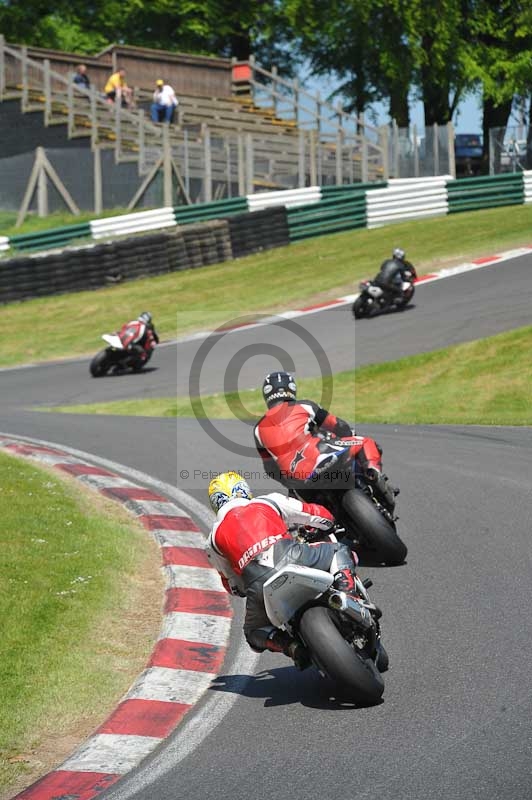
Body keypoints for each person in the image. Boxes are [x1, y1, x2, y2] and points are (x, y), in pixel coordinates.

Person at [205, 471, 364, 669]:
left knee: (254, 633)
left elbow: (232, 586)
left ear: (216, 503)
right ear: (244, 490)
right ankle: (347, 596)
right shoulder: (268, 501)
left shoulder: (212, 541)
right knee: (339, 550)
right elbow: (316, 514)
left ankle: (290, 646)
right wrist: (328, 523)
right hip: (292, 556)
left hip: (259, 584)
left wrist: (246, 582)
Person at [254, 371, 397, 510]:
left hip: (298, 481)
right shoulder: (304, 405)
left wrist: (289, 483)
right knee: (365, 442)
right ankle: (375, 475)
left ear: (266, 395)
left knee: (302, 524)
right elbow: (338, 426)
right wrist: (346, 435)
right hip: (321, 455)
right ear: (292, 389)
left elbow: (270, 469)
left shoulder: (258, 429)